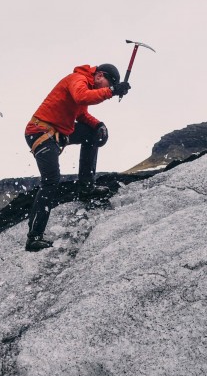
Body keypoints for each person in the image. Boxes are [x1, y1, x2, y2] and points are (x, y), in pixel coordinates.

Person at [23, 63, 131, 251]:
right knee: (51, 181)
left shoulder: (86, 85)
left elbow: (82, 114)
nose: (105, 88)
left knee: (91, 133)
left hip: (57, 134)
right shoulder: (78, 80)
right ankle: (34, 238)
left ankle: (86, 187)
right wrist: (112, 91)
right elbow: (82, 97)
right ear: (99, 76)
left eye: (108, 86)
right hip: (40, 133)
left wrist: (99, 126)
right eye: (106, 83)